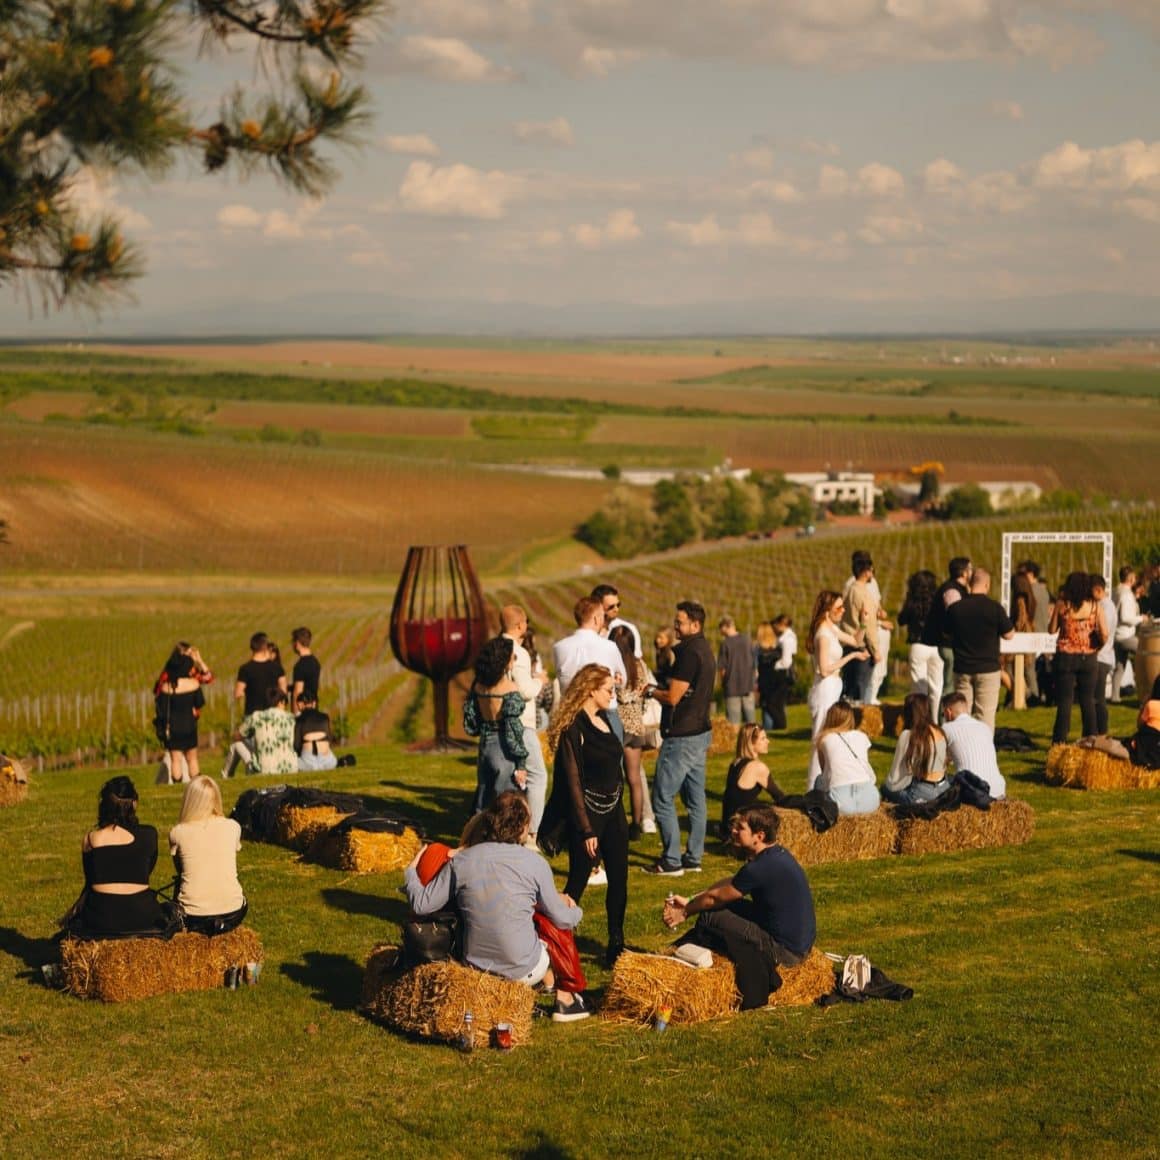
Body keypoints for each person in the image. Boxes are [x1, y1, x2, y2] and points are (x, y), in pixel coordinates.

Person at [404, 793, 590, 1022]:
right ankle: (566, 1000)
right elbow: (562, 919)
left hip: (476, 968)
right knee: (555, 913)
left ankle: (549, 986)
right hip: (525, 970)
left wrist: (411, 873)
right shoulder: (535, 863)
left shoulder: (462, 861)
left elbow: (422, 904)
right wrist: (575, 909)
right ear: (523, 827)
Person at [662, 804, 816, 1011]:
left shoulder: (761, 867)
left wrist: (686, 911)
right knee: (720, 906)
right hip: (796, 944)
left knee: (710, 915)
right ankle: (684, 952)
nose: (734, 831)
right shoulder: (774, 856)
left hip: (786, 952)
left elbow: (715, 900)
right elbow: (731, 884)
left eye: (740, 828)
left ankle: (682, 960)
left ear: (758, 835)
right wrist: (690, 899)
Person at [541, 664, 629, 966]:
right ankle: (556, 943)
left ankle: (616, 945)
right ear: (591, 689)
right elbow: (573, 780)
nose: (612, 695)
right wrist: (586, 829)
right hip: (587, 815)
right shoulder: (573, 727)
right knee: (577, 881)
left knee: (619, 880)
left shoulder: (603, 718)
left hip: (614, 810)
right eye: (608, 690)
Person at [644, 601, 716, 877]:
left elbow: (673, 697)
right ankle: (693, 857)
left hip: (683, 735)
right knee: (696, 800)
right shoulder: (706, 649)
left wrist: (650, 691)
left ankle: (671, 861)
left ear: (695, 625)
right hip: (700, 731)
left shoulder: (688, 653)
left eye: (680, 622)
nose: (675, 626)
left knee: (662, 797)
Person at [71, 776, 169, 937]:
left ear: (104, 806)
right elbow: (147, 870)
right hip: (143, 916)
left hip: (101, 919)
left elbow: (91, 880)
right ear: (134, 803)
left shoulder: (91, 839)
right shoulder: (149, 835)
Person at [805, 590, 868, 790]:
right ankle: (814, 788)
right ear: (826, 610)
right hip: (825, 688)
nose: (842, 611)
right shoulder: (823, 634)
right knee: (821, 738)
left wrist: (863, 621)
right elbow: (824, 669)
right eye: (839, 608)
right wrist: (851, 658)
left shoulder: (831, 628)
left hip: (832, 686)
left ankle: (824, 784)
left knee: (828, 736)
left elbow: (857, 641)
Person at [169, 776, 247, 935]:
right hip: (232, 911)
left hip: (193, 916)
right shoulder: (233, 827)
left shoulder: (178, 832)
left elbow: (179, 869)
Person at [500, 605, 549, 844]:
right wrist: (539, 681)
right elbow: (525, 691)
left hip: (498, 721)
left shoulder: (494, 648)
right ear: (520, 625)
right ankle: (533, 832)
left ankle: (507, 827)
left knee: (511, 778)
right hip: (521, 722)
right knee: (537, 776)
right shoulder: (518, 652)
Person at [462, 636, 527, 813]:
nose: (514, 660)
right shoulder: (509, 688)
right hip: (503, 748)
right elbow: (513, 731)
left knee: (484, 794)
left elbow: (472, 720)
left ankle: (476, 835)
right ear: (504, 661)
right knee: (505, 800)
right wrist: (521, 764)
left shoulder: (478, 686)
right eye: (512, 657)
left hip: (485, 745)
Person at [945, 567, 1014, 729]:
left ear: (969, 584)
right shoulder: (994, 608)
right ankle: (984, 751)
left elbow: (946, 633)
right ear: (987, 585)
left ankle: (962, 750)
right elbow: (1009, 634)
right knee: (986, 716)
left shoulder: (956, 608)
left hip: (962, 668)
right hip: (988, 669)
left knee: (961, 715)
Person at [552, 596, 627, 737]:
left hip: (570, 715)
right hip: (605, 713)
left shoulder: (559, 647)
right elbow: (623, 682)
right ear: (596, 619)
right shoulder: (609, 646)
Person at [609, 624, 657, 840]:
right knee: (634, 777)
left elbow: (617, 695)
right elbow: (645, 692)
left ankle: (614, 821)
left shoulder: (611, 666)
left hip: (616, 724)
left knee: (613, 777)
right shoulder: (641, 665)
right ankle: (636, 823)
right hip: (635, 726)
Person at [1049, 571, 1108, 744]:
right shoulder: (1095, 607)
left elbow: (1051, 630)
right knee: (1088, 700)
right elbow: (1104, 633)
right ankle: (1090, 740)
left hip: (1066, 657)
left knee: (1065, 702)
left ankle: (1059, 743)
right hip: (1088, 657)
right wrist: (1097, 646)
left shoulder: (1062, 605)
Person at [153, 643, 213, 785]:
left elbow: (159, 702)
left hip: (173, 726)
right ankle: (198, 786)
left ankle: (177, 785)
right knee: (193, 759)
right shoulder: (193, 682)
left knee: (176, 759)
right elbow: (200, 700)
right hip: (190, 724)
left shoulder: (166, 684)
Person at [882, 692, 950, 805]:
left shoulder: (909, 735)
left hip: (922, 793)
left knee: (885, 789)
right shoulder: (940, 731)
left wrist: (888, 788)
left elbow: (895, 777)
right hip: (944, 788)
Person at [814, 701, 880, 815]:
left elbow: (825, 773)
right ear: (851, 718)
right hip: (870, 800)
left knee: (819, 780)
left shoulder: (824, 739)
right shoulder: (862, 736)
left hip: (841, 803)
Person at [720, 723, 785, 838]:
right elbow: (779, 797)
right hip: (742, 832)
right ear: (751, 743)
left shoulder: (736, 763)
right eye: (763, 738)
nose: (768, 741)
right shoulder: (757, 767)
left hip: (727, 828)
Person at [897, 570, 945, 719]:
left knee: (919, 688)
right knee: (936, 688)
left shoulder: (912, 602)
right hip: (937, 647)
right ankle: (935, 721)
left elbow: (901, 620)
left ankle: (920, 720)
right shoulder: (939, 602)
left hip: (918, 646)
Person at [941, 693, 1006, 798]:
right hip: (998, 790)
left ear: (948, 712)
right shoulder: (985, 727)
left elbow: (939, 763)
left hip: (972, 791)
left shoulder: (947, 728)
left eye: (943, 715)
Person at [223, 687, 298, 777]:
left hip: (263, 770)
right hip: (291, 769)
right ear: (281, 701)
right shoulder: (291, 718)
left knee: (236, 744)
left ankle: (227, 776)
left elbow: (237, 736)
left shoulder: (257, 717)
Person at [929, 556, 973, 700]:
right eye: (970, 569)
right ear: (964, 573)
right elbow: (958, 616)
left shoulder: (958, 589)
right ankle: (945, 719)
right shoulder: (952, 590)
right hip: (949, 644)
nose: (972, 572)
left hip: (953, 644)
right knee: (949, 686)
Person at [840, 551, 880, 704]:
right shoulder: (863, 594)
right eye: (871, 570)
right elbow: (868, 626)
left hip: (848, 645)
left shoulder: (849, 590)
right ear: (866, 572)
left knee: (848, 690)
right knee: (859, 693)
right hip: (862, 648)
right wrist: (875, 651)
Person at [294, 690, 354, 771]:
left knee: (291, 761)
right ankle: (342, 762)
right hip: (327, 761)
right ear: (314, 703)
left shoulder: (298, 719)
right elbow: (329, 739)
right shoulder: (324, 717)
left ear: (301, 704)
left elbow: (297, 745)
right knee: (346, 759)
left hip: (308, 762)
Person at [234, 632, 287, 719]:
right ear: (265, 647)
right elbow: (283, 691)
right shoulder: (277, 668)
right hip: (274, 715)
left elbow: (238, 693)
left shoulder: (245, 669)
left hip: (252, 715)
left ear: (252, 647)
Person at [1112, 566, 1144, 702]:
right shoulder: (1126, 594)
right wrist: (1141, 618)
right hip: (1126, 636)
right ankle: (1146, 690)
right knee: (1146, 653)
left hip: (1116, 636)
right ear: (1130, 578)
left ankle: (1115, 696)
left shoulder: (1115, 591)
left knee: (1119, 666)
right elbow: (1125, 617)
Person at [1090, 575, 1117, 737]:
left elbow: (1103, 632)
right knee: (1095, 698)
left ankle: (1102, 732)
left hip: (1102, 656)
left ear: (1098, 590)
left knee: (1098, 698)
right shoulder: (1104, 605)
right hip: (1102, 655)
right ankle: (1098, 731)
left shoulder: (1106, 608)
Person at [717, 615, 756, 725]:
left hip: (731, 686)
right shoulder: (747, 639)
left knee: (733, 722)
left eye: (720, 628)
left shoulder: (725, 644)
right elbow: (754, 662)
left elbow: (722, 668)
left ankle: (735, 742)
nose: (720, 631)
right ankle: (754, 741)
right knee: (751, 720)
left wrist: (723, 683)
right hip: (748, 685)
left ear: (725, 626)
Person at [592, 582, 642, 657]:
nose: (616, 609)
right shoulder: (589, 632)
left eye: (618, 605)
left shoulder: (628, 629)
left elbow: (636, 659)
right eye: (611, 607)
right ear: (597, 607)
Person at [290, 626, 321, 709]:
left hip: (303, 709)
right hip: (314, 706)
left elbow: (298, 692)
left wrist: (296, 715)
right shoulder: (315, 662)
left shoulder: (300, 666)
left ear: (297, 643)